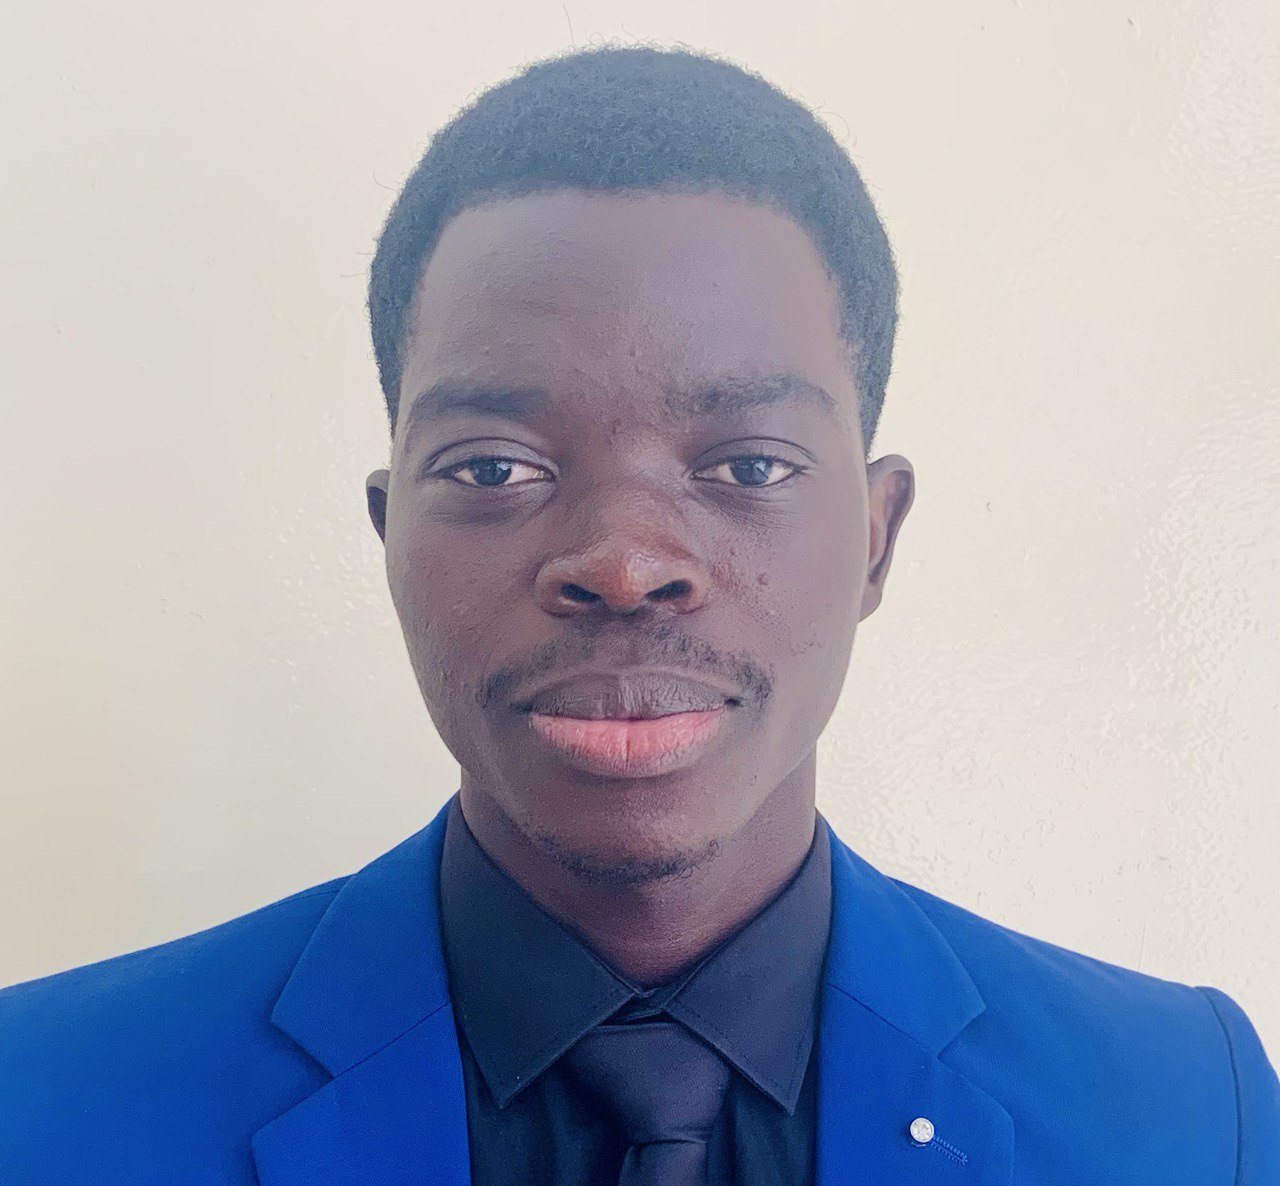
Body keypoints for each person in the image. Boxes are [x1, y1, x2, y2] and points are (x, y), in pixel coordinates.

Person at [1, 43, 1275, 1186]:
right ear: (390, 539)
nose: (621, 564)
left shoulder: (1186, 1109)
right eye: (494, 467)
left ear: (875, 537)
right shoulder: (41, 1101)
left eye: (749, 464)